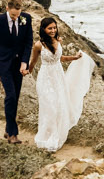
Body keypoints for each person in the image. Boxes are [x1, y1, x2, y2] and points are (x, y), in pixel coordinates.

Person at [28, 15, 94, 151]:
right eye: (49, 28)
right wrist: (26, 71)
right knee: (49, 106)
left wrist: (74, 58)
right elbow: (33, 62)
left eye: (54, 28)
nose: (53, 30)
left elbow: (60, 58)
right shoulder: (38, 45)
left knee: (59, 105)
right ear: (43, 29)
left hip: (58, 77)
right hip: (45, 78)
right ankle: (46, 136)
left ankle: (56, 134)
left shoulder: (57, 41)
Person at [0, 0, 34, 143]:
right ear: (7, 9)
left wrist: (25, 62)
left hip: (19, 64)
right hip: (4, 63)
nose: (16, 17)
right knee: (11, 96)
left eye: (18, 15)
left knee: (15, 97)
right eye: (13, 15)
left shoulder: (26, 18)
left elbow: (28, 42)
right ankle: (13, 134)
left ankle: (8, 129)